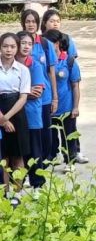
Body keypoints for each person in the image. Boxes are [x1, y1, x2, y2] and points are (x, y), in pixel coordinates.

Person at [20, 9, 58, 166]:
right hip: (23, 99)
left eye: (34, 22)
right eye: (27, 21)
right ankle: (29, 167)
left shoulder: (45, 44)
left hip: (44, 97)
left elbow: (51, 71)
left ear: (38, 24)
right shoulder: (17, 42)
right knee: (27, 135)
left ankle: (42, 165)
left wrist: (55, 97)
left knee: (45, 135)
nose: (31, 24)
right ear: (23, 23)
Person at [44, 30, 85, 165]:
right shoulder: (43, 61)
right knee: (51, 137)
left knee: (69, 137)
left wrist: (75, 107)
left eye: (49, 43)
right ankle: (53, 158)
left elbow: (75, 86)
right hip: (49, 106)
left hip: (66, 107)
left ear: (57, 43)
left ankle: (70, 162)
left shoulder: (69, 61)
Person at [16, 31, 48, 187]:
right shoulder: (9, 64)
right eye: (23, 43)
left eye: (30, 44)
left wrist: (14, 94)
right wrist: (25, 92)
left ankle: (38, 184)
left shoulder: (35, 65)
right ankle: (19, 183)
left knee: (35, 152)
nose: (27, 47)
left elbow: (37, 92)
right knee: (18, 152)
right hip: (14, 115)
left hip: (32, 115)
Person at [0, 32, 31, 192]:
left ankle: (17, 193)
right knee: (3, 157)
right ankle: (4, 194)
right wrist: (2, 119)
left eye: (12, 46)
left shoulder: (23, 70)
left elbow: (23, 97)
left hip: (16, 114)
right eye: (5, 46)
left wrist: (6, 118)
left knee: (18, 156)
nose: (9, 50)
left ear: (17, 48)